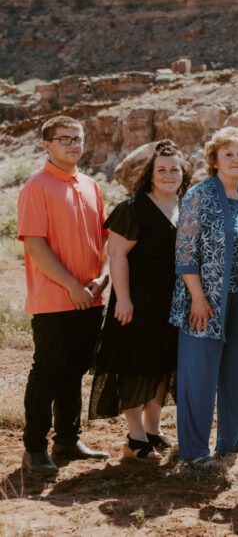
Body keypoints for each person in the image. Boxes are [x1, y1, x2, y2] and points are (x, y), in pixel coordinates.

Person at [170, 127, 238, 467]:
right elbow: (185, 252)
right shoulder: (199, 194)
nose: (236, 160)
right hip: (205, 299)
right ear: (214, 160)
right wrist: (198, 298)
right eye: (228, 154)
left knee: (237, 371)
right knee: (200, 374)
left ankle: (231, 441)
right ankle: (195, 451)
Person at [17, 116, 111, 475]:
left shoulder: (90, 185)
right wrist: (72, 285)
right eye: (64, 139)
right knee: (48, 371)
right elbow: (36, 246)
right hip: (55, 300)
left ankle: (68, 439)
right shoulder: (36, 187)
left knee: (75, 371)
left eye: (78, 138)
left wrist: (102, 279)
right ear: (47, 145)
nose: (73, 144)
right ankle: (34, 448)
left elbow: (104, 241)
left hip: (91, 297)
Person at [88, 140, 191, 463]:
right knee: (133, 363)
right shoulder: (133, 207)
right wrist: (124, 300)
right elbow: (116, 254)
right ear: (150, 174)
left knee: (161, 363)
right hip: (136, 301)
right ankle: (134, 437)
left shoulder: (185, 206)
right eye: (161, 169)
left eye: (174, 169)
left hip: (170, 303)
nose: (168, 174)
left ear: (183, 173)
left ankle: (153, 429)